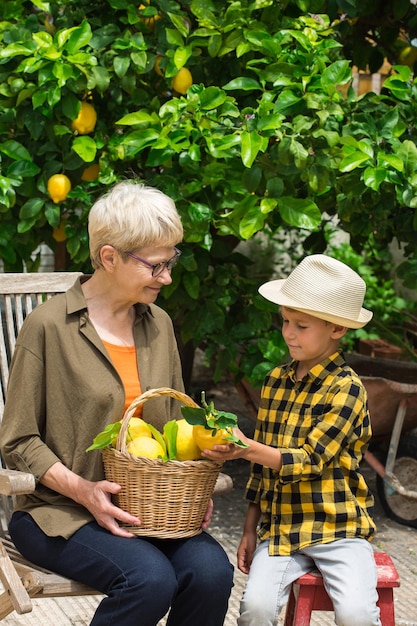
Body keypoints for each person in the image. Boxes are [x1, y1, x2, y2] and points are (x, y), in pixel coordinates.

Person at [0, 180, 233, 626]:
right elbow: (19, 440)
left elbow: (179, 423)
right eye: (155, 266)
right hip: (59, 513)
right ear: (109, 258)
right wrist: (85, 492)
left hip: (152, 511)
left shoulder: (159, 324)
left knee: (211, 573)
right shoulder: (47, 327)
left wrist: (200, 473)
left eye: (171, 262)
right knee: (149, 579)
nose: (166, 277)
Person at [203, 254, 381, 626]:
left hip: (338, 529)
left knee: (357, 613)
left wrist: (246, 447)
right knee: (255, 609)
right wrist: (250, 529)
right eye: (285, 321)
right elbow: (260, 470)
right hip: (281, 528)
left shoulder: (347, 390)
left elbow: (310, 459)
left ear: (337, 329)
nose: (287, 333)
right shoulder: (275, 382)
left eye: (301, 325)